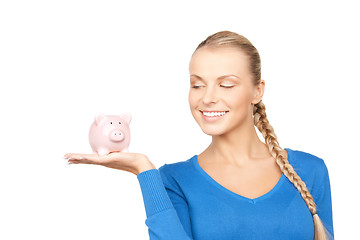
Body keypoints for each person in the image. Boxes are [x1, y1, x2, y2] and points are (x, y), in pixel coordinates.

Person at [64, 30, 334, 240]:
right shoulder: (174, 180)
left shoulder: (310, 171)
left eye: (226, 84)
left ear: (257, 91)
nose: (207, 98)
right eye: (197, 85)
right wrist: (144, 171)